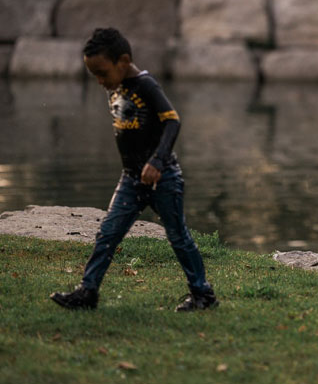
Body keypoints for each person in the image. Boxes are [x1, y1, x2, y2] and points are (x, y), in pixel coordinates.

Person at [50, 28, 218, 312]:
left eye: (102, 73)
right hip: (130, 179)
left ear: (124, 61)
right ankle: (87, 292)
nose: (100, 81)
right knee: (108, 233)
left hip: (163, 178)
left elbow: (172, 121)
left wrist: (157, 161)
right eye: (95, 76)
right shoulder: (116, 85)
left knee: (178, 236)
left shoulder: (146, 85)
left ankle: (203, 294)